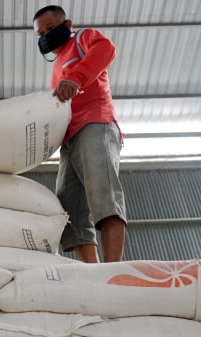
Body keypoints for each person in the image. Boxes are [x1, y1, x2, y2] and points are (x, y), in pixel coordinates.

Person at [33, 5, 126, 263]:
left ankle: (112, 271)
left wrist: (76, 77)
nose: (45, 36)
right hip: (69, 140)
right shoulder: (55, 70)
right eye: (40, 33)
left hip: (95, 124)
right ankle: (93, 276)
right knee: (69, 210)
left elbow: (106, 50)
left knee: (102, 195)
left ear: (68, 24)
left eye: (50, 28)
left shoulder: (83, 39)